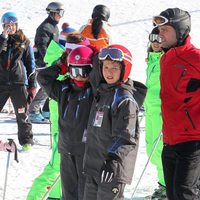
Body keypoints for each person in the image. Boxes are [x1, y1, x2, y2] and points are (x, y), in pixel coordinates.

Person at [27, 33, 91, 200]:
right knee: (55, 167)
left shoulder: (72, 64)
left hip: (70, 127)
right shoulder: (61, 64)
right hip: (63, 128)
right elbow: (45, 79)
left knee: (62, 169)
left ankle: (55, 195)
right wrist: (62, 65)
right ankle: (35, 197)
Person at [83, 44, 146, 200]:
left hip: (111, 168)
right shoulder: (103, 91)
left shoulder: (124, 99)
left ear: (125, 69)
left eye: (114, 68)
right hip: (94, 165)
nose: (108, 72)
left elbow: (126, 135)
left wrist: (113, 159)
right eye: (105, 67)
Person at [153, 8, 200, 200]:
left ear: (180, 30)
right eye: (158, 29)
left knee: (184, 194)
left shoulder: (193, 57)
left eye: (165, 29)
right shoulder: (166, 59)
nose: (159, 34)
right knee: (173, 195)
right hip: (170, 141)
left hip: (192, 141)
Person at [0, 12, 36, 151]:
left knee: (22, 114)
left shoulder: (24, 41)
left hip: (18, 83)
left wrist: (32, 86)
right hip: (2, 83)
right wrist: (3, 38)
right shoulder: (1, 40)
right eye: (8, 25)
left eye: (13, 25)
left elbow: (30, 64)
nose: (11, 27)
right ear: (4, 26)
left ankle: (26, 141)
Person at [29, 1, 65, 123]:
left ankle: (46, 110)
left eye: (62, 13)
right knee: (46, 86)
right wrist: (47, 60)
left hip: (51, 61)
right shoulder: (44, 27)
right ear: (52, 13)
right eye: (60, 13)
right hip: (44, 61)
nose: (61, 16)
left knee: (50, 86)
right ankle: (33, 111)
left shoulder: (53, 26)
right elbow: (42, 45)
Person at [144, 27, 166, 199]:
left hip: (162, 111)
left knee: (160, 150)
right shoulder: (152, 59)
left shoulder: (167, 58)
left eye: (160, 39)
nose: (156, 42)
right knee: (152, 148)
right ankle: (163, 183)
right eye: (153, 38)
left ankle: (167, 185)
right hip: (152, 110)